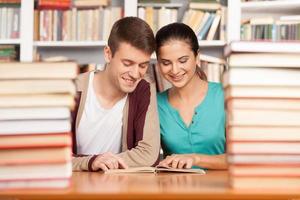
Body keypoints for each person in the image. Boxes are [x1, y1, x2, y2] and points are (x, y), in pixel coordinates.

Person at [72, 17, 160, 172]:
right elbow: (51, 155)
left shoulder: (143, 89)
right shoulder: (72, 89)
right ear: (108, 54)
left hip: (120, 189)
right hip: (73, 189)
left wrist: (103, 162)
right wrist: (91, 162)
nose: (135, 74)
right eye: (127, 63)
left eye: (143, 65)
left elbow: (149, 154)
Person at [155, 23, 227, 170]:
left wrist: (195, 159)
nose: (175, 70)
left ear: (197, 57)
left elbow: (238, 159)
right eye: (166, 63)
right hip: (175, 190)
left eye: (182, 61)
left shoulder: (225, 96)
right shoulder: (156, 104)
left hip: (223, 190)